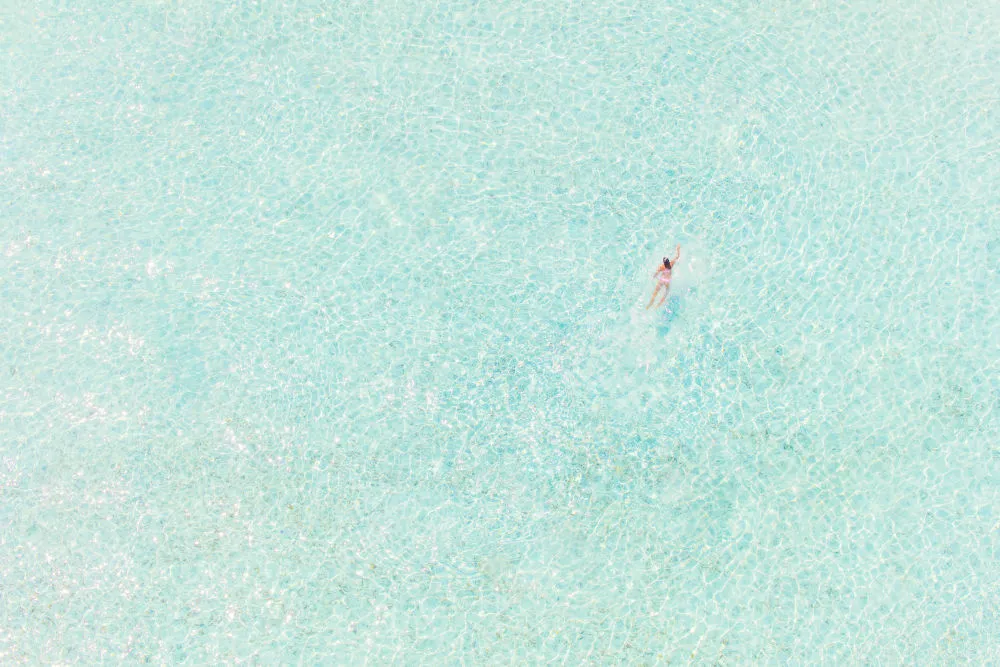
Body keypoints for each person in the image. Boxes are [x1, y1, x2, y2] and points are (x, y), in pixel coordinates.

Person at [646, 244, 680, 310]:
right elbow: (677, 256)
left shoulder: (662, 267)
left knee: (655, 293)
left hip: (662, 280)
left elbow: (656, 274)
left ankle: (649, 305)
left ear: (664, 263)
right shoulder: (671, 263)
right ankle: (658, 305)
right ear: (668, 261)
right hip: (667, 281)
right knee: (666, 292)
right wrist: (678, 249)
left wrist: (653, 276)